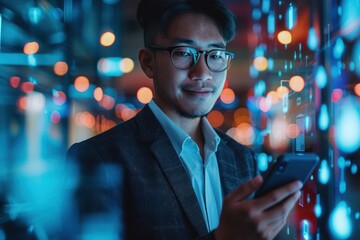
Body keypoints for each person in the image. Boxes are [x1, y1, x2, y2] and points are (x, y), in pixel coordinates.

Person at [65, 0, 302, 239]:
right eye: (183, 53)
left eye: (216, 54)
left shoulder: (242, 158)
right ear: (148, 62)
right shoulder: (99, 158)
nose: (203, 73)